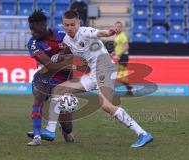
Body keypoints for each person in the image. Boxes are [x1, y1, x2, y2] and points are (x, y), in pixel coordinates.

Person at [49, 10, 153, 148]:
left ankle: (143, 134)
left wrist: (110, 31)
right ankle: (55, 130)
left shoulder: (86, 31)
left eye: (72, 24)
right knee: (58, 89)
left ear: (78, 23)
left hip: (106, 69)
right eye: (66, 25)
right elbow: (69, 50)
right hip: (94, 74)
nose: (69, 28)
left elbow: (102, 33)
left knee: (106, 105)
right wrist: (60, 56)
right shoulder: (67, 39)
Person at [26, 10, 87, 146]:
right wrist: (73, 65)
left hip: (64, 81)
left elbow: (75, 50)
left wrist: (64, 54)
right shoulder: (33, 43)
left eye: (34, 30)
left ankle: (64, 130)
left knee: (68, 126)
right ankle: (36, 136)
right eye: (30, 30)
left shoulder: (61, 34)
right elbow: (51, 67)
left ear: (43, 26)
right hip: (44, 77)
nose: (32, 33)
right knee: (38, 100)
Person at [113, 21, 133, 95]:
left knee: (120, 75)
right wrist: (113, 53)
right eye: (116, 27)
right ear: (114, 27)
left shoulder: (122, 35)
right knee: (120, 74)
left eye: (119, 27)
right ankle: (129, 88)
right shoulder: (117, 36)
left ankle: (129, 88)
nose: (117, 28)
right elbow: (118, 47)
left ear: (121, 28)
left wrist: (119, 55)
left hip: (123, 57)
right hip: (120, 57)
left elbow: (126, 47)